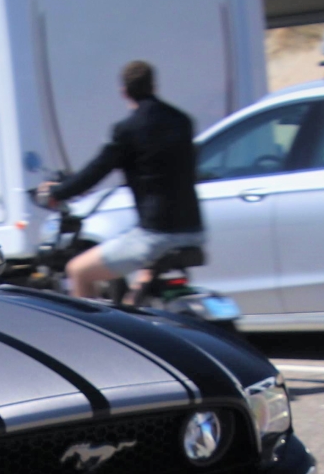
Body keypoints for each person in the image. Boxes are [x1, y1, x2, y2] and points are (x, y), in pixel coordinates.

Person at [36, 59, 201, 300]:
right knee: (137, 290)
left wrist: (58, 192)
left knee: (78, 271)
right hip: (193, 229)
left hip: (156, 234)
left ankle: (93, 337)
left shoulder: (127, 130)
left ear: (123, 92)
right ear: (154, 86)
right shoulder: (182, 121)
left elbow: (95, 171)